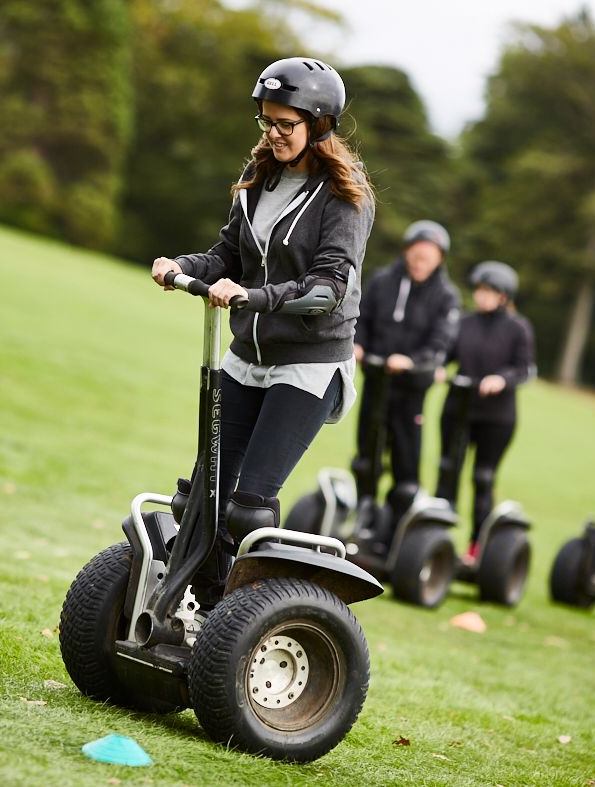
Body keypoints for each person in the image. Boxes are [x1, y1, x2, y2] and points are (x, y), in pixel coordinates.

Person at [151, 56, 375, 603]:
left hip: (309, 364)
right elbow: (228, 253)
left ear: (319, 125)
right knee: (199, 498)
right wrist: (181, 267)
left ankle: (248, 612)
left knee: (247, 508)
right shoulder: (258, 182)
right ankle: (202, 603)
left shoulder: (345, 198)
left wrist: (255, 296)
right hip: (247, 356)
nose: (272, 134)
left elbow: (328, 290)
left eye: (285, 124)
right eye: (266, 121)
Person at [351, 220, 460, 511]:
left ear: (440, 259)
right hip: (376, 379)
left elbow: (441, 342)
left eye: (428, 256)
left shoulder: (446, 296)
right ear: (407, 251)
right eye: (417, 253)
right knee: (366, 454)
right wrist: (357, 343)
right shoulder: (383, 281)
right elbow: (361, 316)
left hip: (411, 389)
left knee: (405, 457)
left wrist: (413, 361)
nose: (420, 261)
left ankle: (396, 517)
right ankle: (365, 509)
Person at [435, 261, 536, 559]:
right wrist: (440, 366)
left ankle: (477, 545)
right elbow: (447, 353)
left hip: (496, 417)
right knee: (448, 470)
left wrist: (500, 379)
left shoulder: (518, 328)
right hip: (459, 407)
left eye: (488, 291)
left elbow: (525, 369)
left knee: (483, 478)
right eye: (479, 290)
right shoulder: (465, 322)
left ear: (504, 296)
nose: (481, 296)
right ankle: (436, 538)